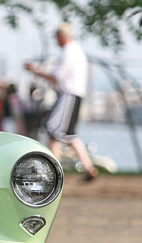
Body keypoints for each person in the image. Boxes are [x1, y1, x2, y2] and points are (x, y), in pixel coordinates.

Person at [24, 23, 99, 181]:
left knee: (52, 129)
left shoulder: (69, 51)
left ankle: (53, 172)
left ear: (61, 36)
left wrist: (36, 71)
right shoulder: (76, 50)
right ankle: (88, 167)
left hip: (68, 95)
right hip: (72, 95)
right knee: (68, 134)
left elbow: (57, 77)